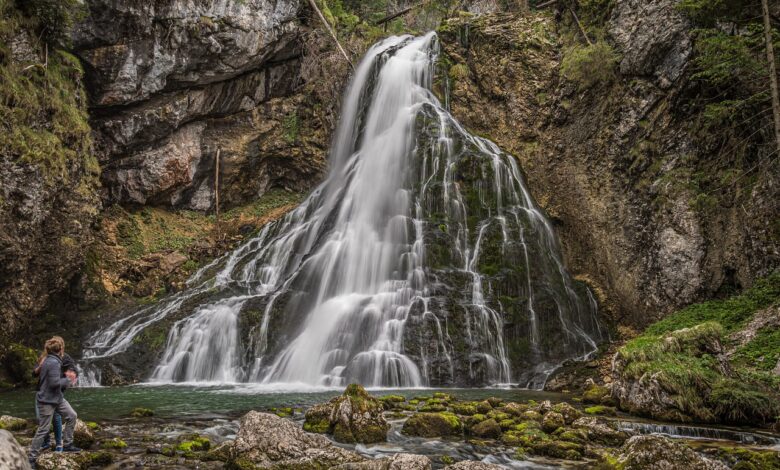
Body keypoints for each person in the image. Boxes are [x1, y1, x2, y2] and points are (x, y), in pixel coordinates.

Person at [28, 337, 80, 468]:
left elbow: (70, 367)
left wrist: (71, 373)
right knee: (43, 429)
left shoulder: (52, 360)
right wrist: (68, 379)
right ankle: (31, 458)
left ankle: (67, 444)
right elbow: (54, 383)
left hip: (57, 398)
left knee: (72, 415)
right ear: (60, 349)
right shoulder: (53, 362)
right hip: (46, 400)